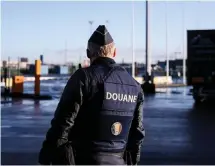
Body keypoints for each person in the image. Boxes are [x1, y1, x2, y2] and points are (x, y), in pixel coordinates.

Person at [38, 25, 145, 165]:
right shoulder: (134, 86)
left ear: (88, 53)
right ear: (114, 52)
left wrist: (48, 155)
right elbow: (137, 133)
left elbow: (63, 123)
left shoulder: (83, 78)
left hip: (84, 159)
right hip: (119, 160)